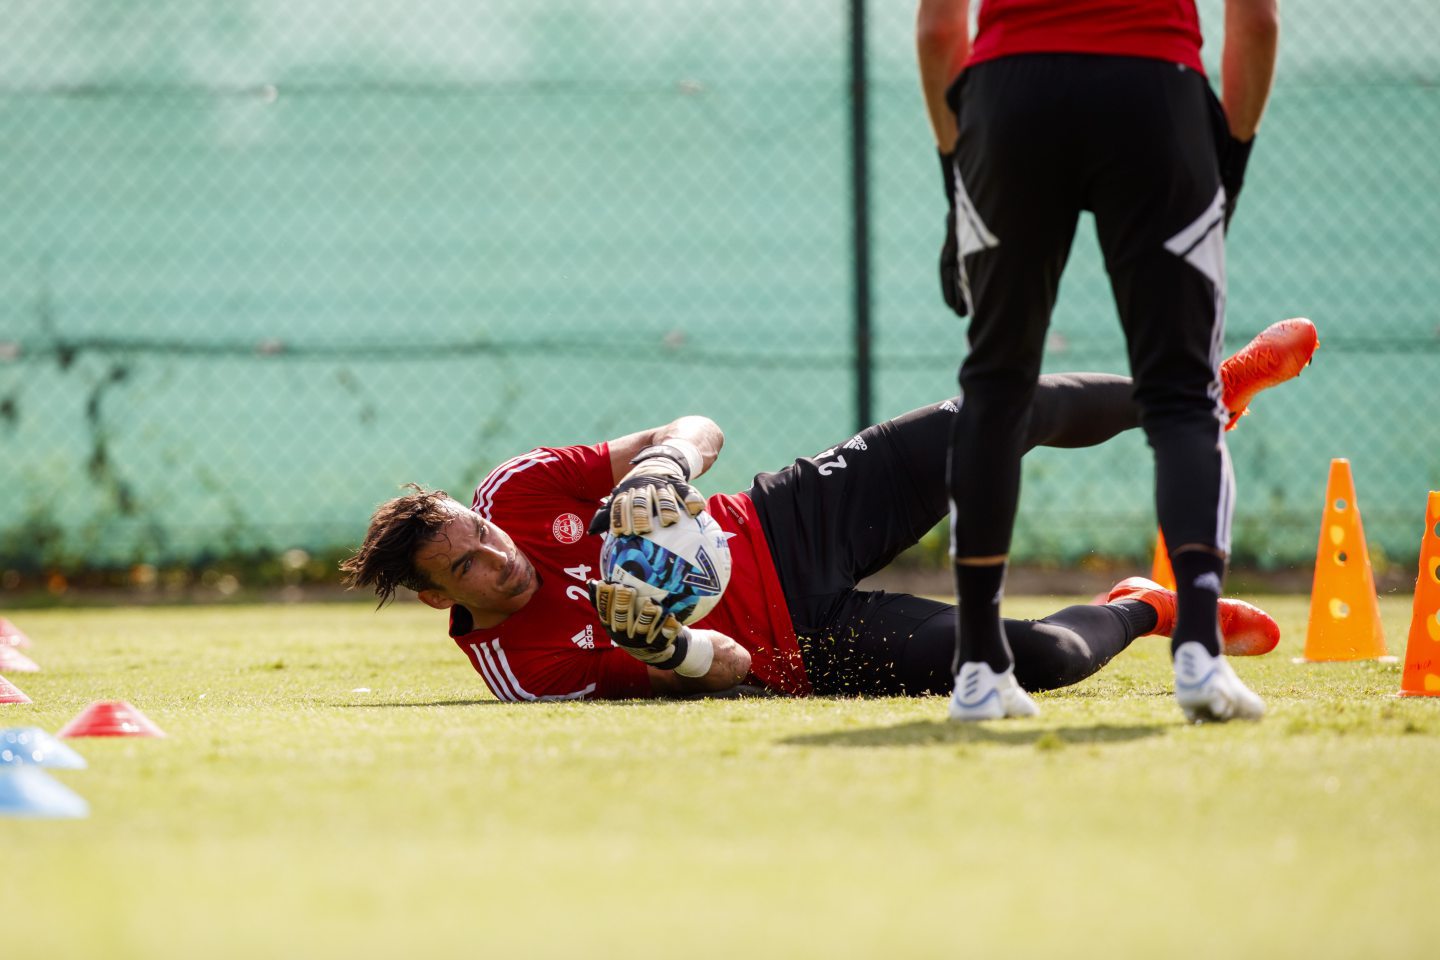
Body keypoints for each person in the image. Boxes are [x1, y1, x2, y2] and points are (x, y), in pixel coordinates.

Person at [339, 320, 1312, 704]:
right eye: (467, 567)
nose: (498, 555)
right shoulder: (523, 668)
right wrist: (672, 650)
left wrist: (668, 465)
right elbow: (721, 682)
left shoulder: (516, 488)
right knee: (1039, 663)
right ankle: (1149, 607)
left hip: (784, 520)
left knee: (978, 419)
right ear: (439, 601)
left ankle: (1197, 395)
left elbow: (699, 423)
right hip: (802, 646)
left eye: (482, 535)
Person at [915, 0, 1282, 722]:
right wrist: (1228, 163)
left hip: (1010, 93)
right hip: (1155, 91)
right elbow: (1258, 22)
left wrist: (957, 177)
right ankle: (1201, 656)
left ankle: (981, 669)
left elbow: (935, 30)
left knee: (996, 387)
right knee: (1182, 395)